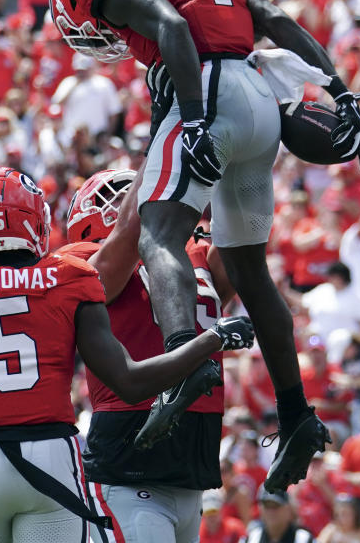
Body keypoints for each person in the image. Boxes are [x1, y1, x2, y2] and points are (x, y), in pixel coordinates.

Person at [49, 0, 360, 490]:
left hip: (210, 92)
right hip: (260, 102)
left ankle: (183, 361)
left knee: (158, 235)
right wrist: (340, 93)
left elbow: (170, 27)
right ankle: (295, 413)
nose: (105, 36)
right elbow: (274, 19)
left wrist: (193, 119)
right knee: (249, 270)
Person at [0, 166, 254, 543]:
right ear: (35, 218)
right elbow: (128, 380)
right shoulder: (66, 277)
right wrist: (209, 341)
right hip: (53, 455)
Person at [60, 168, 240, 543]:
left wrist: (240, 159)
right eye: (119, 194)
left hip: (192, 454)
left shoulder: (192, 251)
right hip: (131, 448)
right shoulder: (91, 260)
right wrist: (160, 155)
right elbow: (126, 239)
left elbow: (243, 236)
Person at [243, 487, 315, 543]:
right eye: (267, 506)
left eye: (276, 506)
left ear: (288, 509)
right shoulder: (252, 538)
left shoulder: (304, 539)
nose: (271, 511)